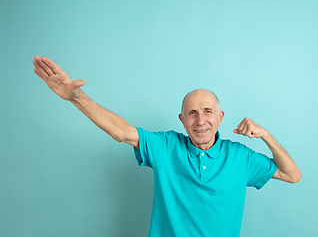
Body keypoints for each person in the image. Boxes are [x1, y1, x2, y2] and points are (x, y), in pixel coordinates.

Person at [32, 56, 302, 237]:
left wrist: (265, 135)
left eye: (208, 111)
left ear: (220, 117)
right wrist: (77, 98)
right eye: (192, 113)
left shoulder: (240, 157)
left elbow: (292, 175)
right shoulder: (166, 146)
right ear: (182, 120)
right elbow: (121, 131)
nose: (201, 121)